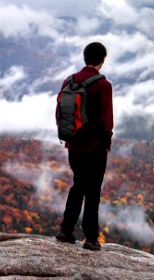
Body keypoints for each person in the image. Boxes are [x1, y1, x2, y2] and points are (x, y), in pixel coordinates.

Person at [55, 42, 113, 251]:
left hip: (73, 145)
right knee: (93, 191)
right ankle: (90, 238)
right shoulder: (103, 85)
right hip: (95, 148)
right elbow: (107, 120)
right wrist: (106, 143)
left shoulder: (69, 81)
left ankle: (66, 230)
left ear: (85, 58)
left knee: (78, 185)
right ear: (102, 60)